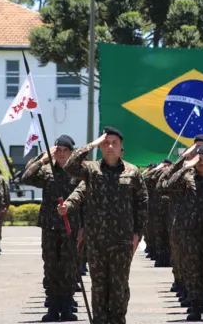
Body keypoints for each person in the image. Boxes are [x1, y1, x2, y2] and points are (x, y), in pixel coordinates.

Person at [57, 127, 148, 324]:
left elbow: (142, 203)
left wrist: (137, 235)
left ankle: (117, 320)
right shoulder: (91, 170)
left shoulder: (133, 172)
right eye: (106, 143)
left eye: (114, 143)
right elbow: (70, 166)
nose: (110, 147)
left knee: (119, 286)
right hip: (97, 241)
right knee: (99, 285)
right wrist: (93, 144)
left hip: (122, 241)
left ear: (122, 148)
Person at [160, 146, 203, 321]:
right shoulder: (186, 178)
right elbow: (165, 186)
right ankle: (194, 306)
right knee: (191, 270)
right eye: (199, 159)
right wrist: (185, 165)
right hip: (189, 232)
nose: (202, 161)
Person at [22, 135, 81, 322]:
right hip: (50, 226)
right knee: (51, 267)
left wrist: (84, 228)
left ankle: (67, 306)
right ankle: (53, 307)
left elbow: (86, 200)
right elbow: (26, 177)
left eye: (65, 150)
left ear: (71, 152)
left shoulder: (78, 172)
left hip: (71, 226)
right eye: (58, 150)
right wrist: (43, 158)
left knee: (69, 268)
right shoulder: (47, 171)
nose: (62, 154)